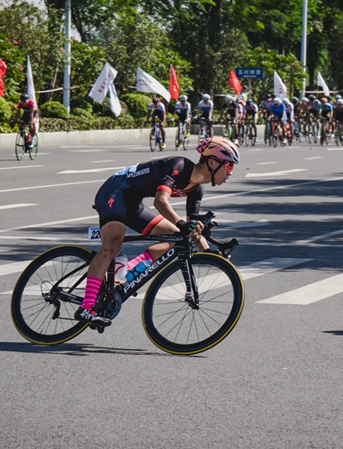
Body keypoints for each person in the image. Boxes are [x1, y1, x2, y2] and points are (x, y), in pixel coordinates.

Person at [75, 137, 241, 327]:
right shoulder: (180, 166)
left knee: (177, 236)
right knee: (112, 243)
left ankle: (128, 270)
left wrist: (211, 254)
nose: (230, 172)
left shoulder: (197, 190)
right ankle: (86, 307)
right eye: (228, 166)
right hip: (115, 191)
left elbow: (192, 231)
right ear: (212, 162)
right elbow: (160, 201)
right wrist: (180, 222)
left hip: (132, 203)